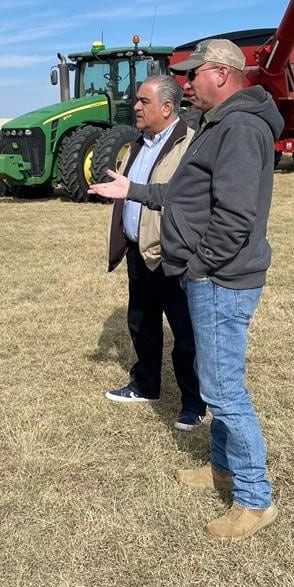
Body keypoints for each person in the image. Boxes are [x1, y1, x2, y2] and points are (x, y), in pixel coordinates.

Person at [89, 39, 283, 539]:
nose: (187, 82)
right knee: (214, 379)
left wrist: (200, 267)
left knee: (224, 389)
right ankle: (222, 468)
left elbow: (235, 217)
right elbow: (185, 193)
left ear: (221, 74)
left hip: (220, 279)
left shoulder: (240, 128)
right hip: (211, 275)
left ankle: (254, 499)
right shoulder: (217, 123)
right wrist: (132, 190)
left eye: (194, 73)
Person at [104, 75, 204, 431]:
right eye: (137, 100)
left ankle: (193, 403)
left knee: (185, 331)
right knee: (142, 322)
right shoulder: (138, 143)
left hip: (172, 254)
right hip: (139, 251)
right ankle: (146, 385)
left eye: (144, 101)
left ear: (166, 107)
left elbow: (185, 198)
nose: (136, 107)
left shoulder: (191, 144)